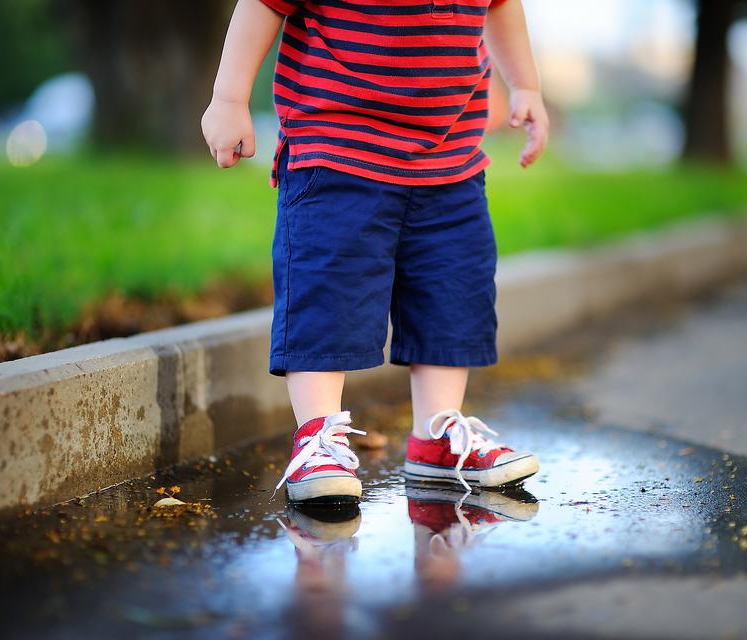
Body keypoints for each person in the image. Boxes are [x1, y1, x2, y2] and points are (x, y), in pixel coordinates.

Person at [201, 0, 550, 503]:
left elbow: (501, 6)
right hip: (339, 148)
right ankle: (318, 438)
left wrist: (526, 86)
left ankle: (436, 438)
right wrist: (229, 97)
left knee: (452, 292)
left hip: (450, 159)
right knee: (328, 293)